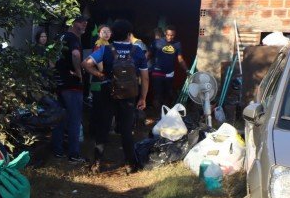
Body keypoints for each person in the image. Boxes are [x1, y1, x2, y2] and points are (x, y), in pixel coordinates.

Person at [82, 19, 149, 174]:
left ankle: (96, 163)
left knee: (103, 128)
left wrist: (100, 75)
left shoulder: (106, 49)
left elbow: (86, 64)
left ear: (113, 34)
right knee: (126, 130)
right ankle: (130, 164)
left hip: (108, 92)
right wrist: (143, 98)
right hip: (129, 96)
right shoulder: (138, 51)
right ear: (128, 35)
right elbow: (145, 77)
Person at [52, 15, 89, 163]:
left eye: (86, 23)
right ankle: (73, 155)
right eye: (82, 23)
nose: (85, 25)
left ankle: (58, 151)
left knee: (60, 118)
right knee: (74, 119)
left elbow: (52, 59)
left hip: (60, 84)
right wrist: (79, 73)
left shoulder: (60, 38)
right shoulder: (73, 38)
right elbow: (75, 54)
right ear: (74, 24)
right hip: (72, 85)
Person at [149, 25, 189, 115]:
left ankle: (166, 115)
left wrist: (186, 70)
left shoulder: (177, 44)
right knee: (157, 95)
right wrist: (140, 66)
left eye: (172, 35)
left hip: (169, 73)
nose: (170, 37)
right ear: (165, 34)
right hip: (157, 72)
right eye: (168, 35)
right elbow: (148, 55)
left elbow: (180, 59)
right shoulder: (157, 42)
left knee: (168, 95)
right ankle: (157, 116)